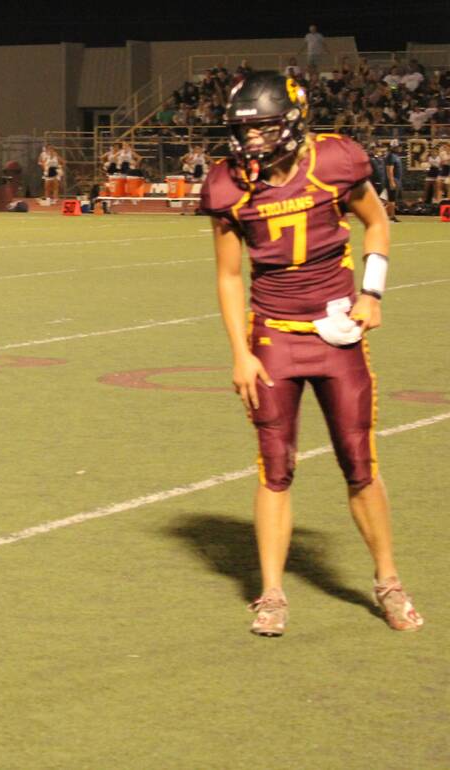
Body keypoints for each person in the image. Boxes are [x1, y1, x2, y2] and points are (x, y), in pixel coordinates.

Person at [199, 72, 423, 638]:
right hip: (273, 336)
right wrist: (239, 353)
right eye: (244, 131)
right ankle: (271, 592)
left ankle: (388, 580)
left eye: (263, 129)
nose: (250, 142)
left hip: (336, 332)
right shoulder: (229, 184)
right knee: (275, 470)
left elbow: (376, 224)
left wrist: (371, 292)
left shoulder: (335, 161)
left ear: (291, 123)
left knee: (359, 464)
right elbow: (229, 276)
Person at [384, 141, 403, 222]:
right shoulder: (391, 156)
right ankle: (391, 217)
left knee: (392, 200)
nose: (400, 148)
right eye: (398, 146)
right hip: (393, 179)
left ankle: (390, 216)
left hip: (396, 179)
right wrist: (391, 181)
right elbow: (389, 170)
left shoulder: (395, 156)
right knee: (391, 200)